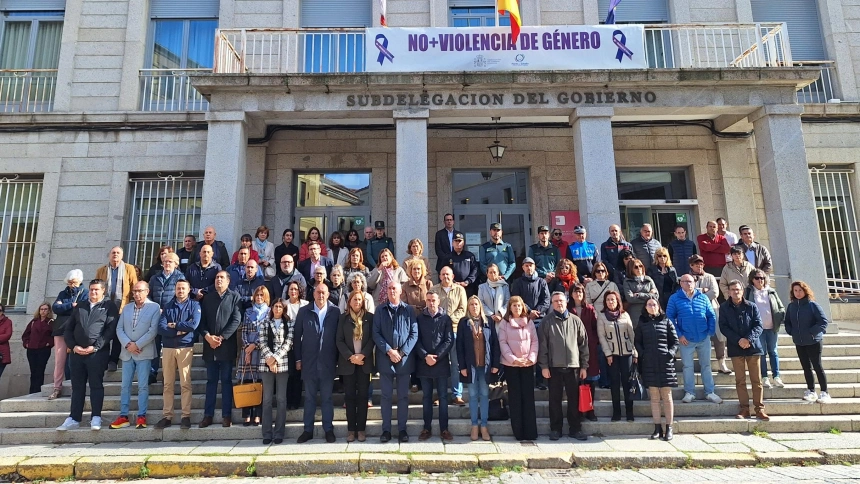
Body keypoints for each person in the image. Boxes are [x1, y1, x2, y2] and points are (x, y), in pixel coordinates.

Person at [56, 279, 119, 431]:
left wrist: (95, 347)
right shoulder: (81, 305)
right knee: (77, 387)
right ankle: (74, 418)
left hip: (97, 354)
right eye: (91, 289)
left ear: (103, 291)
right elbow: (68, 329)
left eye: (97, 289)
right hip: (77, 353)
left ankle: (96, 417)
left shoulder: (109, 306)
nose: (93, 292)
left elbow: (110, 330)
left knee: (96, 385)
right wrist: (73, 346)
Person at [539, 291, 589, 441]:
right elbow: (542, 346)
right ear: (552, 304)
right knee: (555, 400)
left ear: (566, 302)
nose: (559, 303)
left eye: (561, 300)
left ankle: (575, 429)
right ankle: (556, 429)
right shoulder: (546, 322)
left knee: (574, 399)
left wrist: (584, 366)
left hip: (573, 366)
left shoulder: (576, 320)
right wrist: (544, 366)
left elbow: (583, 344)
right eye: (555, 301)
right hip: (554, 367)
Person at [294, 283, 341, 443]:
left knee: (327, 398)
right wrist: (298, 359)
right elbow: (297, 337)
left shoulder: (335, 312)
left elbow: (339, 338)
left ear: (328, 295)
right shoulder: (304, 311)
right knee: (309, 398)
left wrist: (337, 361)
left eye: (323, 293)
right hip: (309, 362)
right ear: (313, 294)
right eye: (318, 292)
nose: (321, 295)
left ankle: (328, 429)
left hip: (328, 363)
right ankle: (308, 430)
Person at [372, 281, 418, 443]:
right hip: (386, 359)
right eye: (390, 288)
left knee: (403, 397)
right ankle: (386, 430)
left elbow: (414, 333)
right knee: (386, 396)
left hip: (404, 360)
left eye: (394, 289)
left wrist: (402, 352)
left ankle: (402, 429)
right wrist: (389, 351)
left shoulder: (408, 310)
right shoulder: (380, 310)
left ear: (400, 292)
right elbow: (376, 333)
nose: (392, 291)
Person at [110, 281, 160, 429]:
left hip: (143, 352)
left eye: (140, 291)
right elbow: (119, 329)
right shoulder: (127, 308)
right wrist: (128, 344)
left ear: (147, 291)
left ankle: (141, 416)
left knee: (143, 386)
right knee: (125, 386)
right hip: (127, 353)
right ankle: (123, 416)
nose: (136, 294)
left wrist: (137, 345)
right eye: (134, 291)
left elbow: (153, 330)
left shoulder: (154, 307)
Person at [666, 274, 723, 405]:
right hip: (686, 339)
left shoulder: (703, 297)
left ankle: (710, 392)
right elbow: (670, 318)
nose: (689, 284)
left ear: (695, 283)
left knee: (706, 365)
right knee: (688, 367)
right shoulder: (674, 298)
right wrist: (679, 335)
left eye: (691, 281)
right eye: (685, 281)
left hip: (703, 337)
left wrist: (710, 332)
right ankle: (690, 392)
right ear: (680, 283)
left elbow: (711, 315)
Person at [197, 271, 242, 428]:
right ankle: (207, 415)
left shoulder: (235, 297)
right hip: (210, 347)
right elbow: (201, 322)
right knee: (211, 381)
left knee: (226, 381)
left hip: (226, 346)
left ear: (228, 281)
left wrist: (222, 338)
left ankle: (226, 415)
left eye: (222, 277)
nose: (218, 280)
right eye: (217, 277)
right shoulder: (208, 298)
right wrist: (208, 337)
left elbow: (236, 319)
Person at [155, 280, 200, 430]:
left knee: (185, 383)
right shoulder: (168, 306)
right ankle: (167, 416)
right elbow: (161, 327)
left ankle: (185, 416)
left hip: (185, 347)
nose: (180, 291)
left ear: (189, 290)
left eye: (183, 288)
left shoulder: (194, 305)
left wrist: (175, 325)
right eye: (178, 288)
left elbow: (193, 325)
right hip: (168, 348)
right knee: (167, 384)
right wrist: (179, 331)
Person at [720, 280, 768, 421]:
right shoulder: (724, 307)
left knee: (756, 380)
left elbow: (758, 325)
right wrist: (739, 340)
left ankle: (759, 409)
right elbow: (723, 327)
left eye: (738, 289)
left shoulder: (751, 306)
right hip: (736, 348)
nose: (736, 292)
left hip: (753, 348)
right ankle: (744, 409)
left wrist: (748, 339)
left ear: (742, 291)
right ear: (729, 292)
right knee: (740, 381)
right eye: (733, 289)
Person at [634, 298, 679, 441]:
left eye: (654, 304)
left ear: (659, 306)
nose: (652, 306)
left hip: (665, 363)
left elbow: (675, 341)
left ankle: (669, 427)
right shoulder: (642, 323)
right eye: (649, 304)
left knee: (666, 396)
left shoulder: (666, 321)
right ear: (645, 307)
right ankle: (657, 428)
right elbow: (637, 342)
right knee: (654, 397)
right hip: (649, 364)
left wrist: (670, 354)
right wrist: (643, 355)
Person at [457, 295, 500, 441]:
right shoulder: (463, 323)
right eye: (471, 304)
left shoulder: (488, 322)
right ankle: (474, 425)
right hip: (470, 366)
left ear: (480, 306)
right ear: (468, 307)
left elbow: (495, 344)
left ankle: (484, 425)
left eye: (476, 304)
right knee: (473, 395)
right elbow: (459, 346)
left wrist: (495, 364)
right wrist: (462, 366)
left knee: (485, 394)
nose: (474, 307)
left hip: (485, 366)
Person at [497, 296, 538, 441]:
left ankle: (530, 432)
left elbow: (534, 341)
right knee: (515, 398)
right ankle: (518, 432)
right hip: (511, 365)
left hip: (527, 364)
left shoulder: (529, 322)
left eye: (519, 305)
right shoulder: (504, 323)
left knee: (528, 397)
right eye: (514, 305)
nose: (517, 308)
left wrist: (531, 358)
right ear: (510, 308)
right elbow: (502, 343)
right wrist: (514, 359)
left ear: (523, 307)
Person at [415, 291, 454, 442]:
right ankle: (427, 428)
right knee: (426, 397)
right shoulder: (420, 318)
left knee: (443, 397)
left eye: (433, 300)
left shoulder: (445, 318)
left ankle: (444, 429)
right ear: (426, 301)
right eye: (429, 300)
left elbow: (449, 340)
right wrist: (425, 356)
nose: (431, 303)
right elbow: (416, 339)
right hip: (424, 363)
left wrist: (437, 356)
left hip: (441, 363)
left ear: (439, 301)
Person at [336, 291, 374, 443]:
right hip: (348, 363)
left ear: (363, 302)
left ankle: (361, 430)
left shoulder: (370, 317)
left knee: (363, 397)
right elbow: (339, 340)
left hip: (364, 362)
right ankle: (351, 430)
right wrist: (351, 357)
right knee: (350, 397)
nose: (357, 302)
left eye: (359, 299)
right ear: (349, 302)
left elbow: (372, 339)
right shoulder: (343, 318)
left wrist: (362, 355)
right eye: (354, 299)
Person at [784, 281, 830, 403]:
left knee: (817, 366)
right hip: (799, 342)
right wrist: (791, 331)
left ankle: (824, 392)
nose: (798, 293)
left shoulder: (812, 305)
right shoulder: (791, 306)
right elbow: (787, 321)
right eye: (795, 290)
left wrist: (812, 332)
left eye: (800, 290)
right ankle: (811, 391)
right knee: (806, 367)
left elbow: (823, 322)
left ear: (805, 291)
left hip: (814, 341)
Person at [95, 246, 139, 372]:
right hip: (105, 306)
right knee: (103, 332)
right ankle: (103, 360)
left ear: (122, 255)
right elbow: (96, 286)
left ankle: (113, 360)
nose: (115, 254)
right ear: (109, 255)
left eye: (118, 253)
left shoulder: (129, 269)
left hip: (122, 306)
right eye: (113, 252)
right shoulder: (101, 270)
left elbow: (134, 286)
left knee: (117, 334)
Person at [510, 257, 551, 390]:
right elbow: (516, 299)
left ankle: (540, 380)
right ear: (523, 267)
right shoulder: (518, 282)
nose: (529, 268)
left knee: (539, 350)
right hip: (523, 320)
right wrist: (528, 311)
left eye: (531, 265)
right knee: (524, 349)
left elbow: (546, 300)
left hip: (540, 320)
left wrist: (537, 312)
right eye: (526, 265)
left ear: (534, 267)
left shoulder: (541, 282)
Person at [258, 298, 294, 445]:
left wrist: (275, 359)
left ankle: (279, 433)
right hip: (266, 363)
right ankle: (267, 433)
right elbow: (262, 342)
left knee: (281, 399)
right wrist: (270, 359)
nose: (277, 309)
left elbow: (288, 342)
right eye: (275, 306)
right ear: (271, 308)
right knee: (267, 399)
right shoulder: (264, 323)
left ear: (284, 309)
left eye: (280, 307)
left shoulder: (289, 323)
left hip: (282, 364)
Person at [596, 291, 636, 422]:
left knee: (627, 383)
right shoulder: (602, 317)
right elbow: (602, 337)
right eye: (608, 300)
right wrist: (607, 353)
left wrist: (634, 352)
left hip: (626, 353)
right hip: (612, 355)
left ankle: (629, 412)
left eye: (612, 299)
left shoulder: (625, 315)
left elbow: (631, 335)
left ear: (617, 301)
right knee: (614, 383)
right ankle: (616, 412)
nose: (610, 302)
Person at [50, 270, 88, 400]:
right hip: (60, 329)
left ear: (80, 281)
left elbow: (82, 308)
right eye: (70, 282)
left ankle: (75, 388)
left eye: (74, 282)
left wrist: (64, 306)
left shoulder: (85, 293)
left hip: (76, 329)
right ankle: (57, 387)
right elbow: (55, 308)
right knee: (59, 360)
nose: (72, 285)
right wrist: (71, 305)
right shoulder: (63, 293)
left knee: (75, 360)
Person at [148, 253, 186, 383]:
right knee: (155, 345)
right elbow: (148, 294)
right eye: (165, 261)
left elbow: (181, 295)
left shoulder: (180, 277)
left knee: (169, 346)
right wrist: (154, 307)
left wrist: (168, 308)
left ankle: (168, 374)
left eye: (170, 261)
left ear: (176, 264)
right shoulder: (155, 278)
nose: (167, 264)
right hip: (156, 314)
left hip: (172, 315)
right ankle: (152, 372)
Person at [688, 254, 728, 374]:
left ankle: (722, 362)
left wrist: (698, 294)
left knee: (719, 336)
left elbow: (715, 292)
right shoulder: (687, 278)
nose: (699, 266)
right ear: (691, 265)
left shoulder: (710, 277)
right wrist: (703, 291)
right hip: (695, 312)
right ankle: (704, 364)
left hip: (712, 309)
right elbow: (687, 293)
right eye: (696, 264)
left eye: (701, 264)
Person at [433, 266, 468, 406]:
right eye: (443, 274)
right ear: (440, 276)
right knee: (439, 364)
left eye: (448, 274)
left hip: (454, 330)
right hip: (438, 332)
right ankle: (440, 395)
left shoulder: (460, 290)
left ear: (453, 276)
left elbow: (462, 309)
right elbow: (432, 308)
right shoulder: (434, 290)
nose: (445, 276)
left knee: (455, 364)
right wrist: (442, 322)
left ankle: (457, 394)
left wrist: (448, 319)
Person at [745, 270, 786, 389]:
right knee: (761, 353)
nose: (760, 280)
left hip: (772, 327)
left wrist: (779, 317)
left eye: (762, 278)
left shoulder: (771, 291)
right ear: (752, 279)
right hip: (758, 329)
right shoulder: (749, 292)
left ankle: (776, 376)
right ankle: (764, 377)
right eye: (757, 278)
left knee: (773, 352)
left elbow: (780, 306)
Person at [238, 286, 269, 427]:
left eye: (262, 295)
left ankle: (257, 414)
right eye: (257, 295)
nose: (259, 297)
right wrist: (247, 349)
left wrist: (255, 345)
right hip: (247, 350)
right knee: (247, 380)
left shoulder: (269, 312)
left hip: (261, 349)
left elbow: (267, 333)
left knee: (260, 383)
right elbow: (244, 331)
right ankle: (246, 415)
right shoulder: (248, 311)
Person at [569, 283, 599, 422]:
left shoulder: (590, 309)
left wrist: (593, 341)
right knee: (576, 381)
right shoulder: (568, 309)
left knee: (590, 381)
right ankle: (579, 411)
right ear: (571, 294)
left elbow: (595, 327)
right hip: (572, 347)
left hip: (589, 347)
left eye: (580, 292)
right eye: (575, 292)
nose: (578, 294)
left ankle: (590, 410)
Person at [284, 281, 309, 410]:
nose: (293, 291)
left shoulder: (306, 305)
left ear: (299, 291)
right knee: (290, 374)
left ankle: (296, 401)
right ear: (288, 291)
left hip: (303, 344)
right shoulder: (284, 305)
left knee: (299, 374)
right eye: (291, 289)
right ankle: (289, 401)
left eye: (295, 289)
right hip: (287, 345)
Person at [22, 303, 54, 395]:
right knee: (33, 371)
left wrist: (49, 343)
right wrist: (26, 343)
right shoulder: (33, 321)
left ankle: (37, 391)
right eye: (41, 309)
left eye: (45, 309)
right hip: (31, 349)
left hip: (43, 349)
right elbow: (26, 334)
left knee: (40, 370)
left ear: (49, 311)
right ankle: (32, 392)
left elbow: (54, 335)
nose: (43, 311)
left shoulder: (51, 322)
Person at [623, 259, 659, 326]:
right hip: (636, 313)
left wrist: (639, 295)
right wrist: (649, 295)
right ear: (631, 269)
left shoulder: (648, 279)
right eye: (636, 267)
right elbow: (630, 298)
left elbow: (656, 296)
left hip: (650, 312)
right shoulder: (627, 281)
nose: (639, 268)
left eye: (640, 266)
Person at [446, 232, 479, 297]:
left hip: (468, 288)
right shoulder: (447, 257)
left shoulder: (470, 256)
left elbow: (475, 270)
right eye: (456, 241)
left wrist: (467, 281)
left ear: (463, 243)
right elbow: (444, 271)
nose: (458, 243)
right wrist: (453, 282)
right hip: (452, 288)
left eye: (460, 241)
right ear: (452, 243)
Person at [478, 263, 510, 328]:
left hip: (502, 319)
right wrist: (491, 315)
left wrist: (500, 313)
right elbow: (480, 302)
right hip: (487, 319)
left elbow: (508, 301)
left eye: (494, 272)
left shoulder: (504, 286)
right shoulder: (482, 287)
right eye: (490, 272)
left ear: (498, 273)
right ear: (487, 274)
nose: (493, 274)